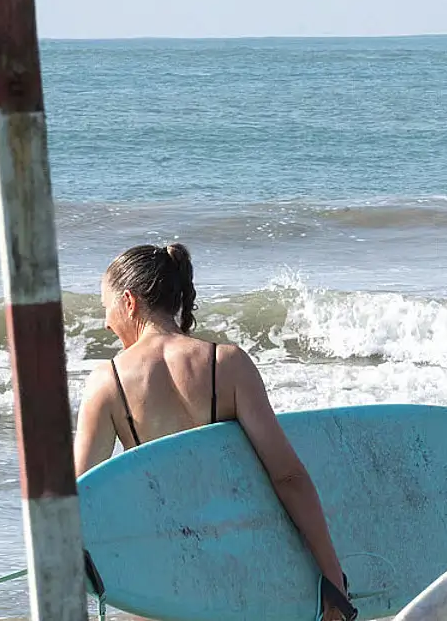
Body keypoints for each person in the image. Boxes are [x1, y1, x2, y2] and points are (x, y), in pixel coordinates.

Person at [73, 243, 355, 620]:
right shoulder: (229, 364)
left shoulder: (108, 381)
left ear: (128, 302)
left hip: (161, 581)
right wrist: (331, 576)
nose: (106, 322)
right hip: (239, 568)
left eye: (106, 307)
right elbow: (288, 476)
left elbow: (75, 500)